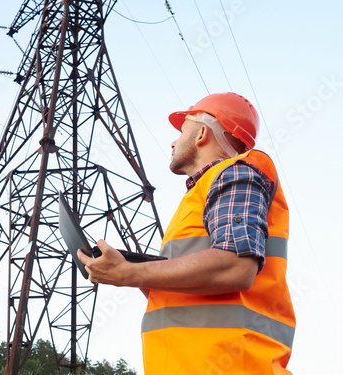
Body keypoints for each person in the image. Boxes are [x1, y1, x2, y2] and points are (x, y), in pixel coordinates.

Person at [77, 92, 296, 374]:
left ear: (202, 133)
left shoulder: (237, 173)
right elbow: (189, 296)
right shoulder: (203, 195)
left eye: (182, 131)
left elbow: (236, 266)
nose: (173, 141)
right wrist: (132, 267)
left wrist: (129, 274)